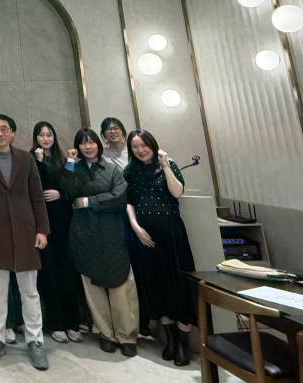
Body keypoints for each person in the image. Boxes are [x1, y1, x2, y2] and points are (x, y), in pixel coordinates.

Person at [0, 114, 50, 369]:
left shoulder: (26, 158)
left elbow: (37, 196)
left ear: (12, 132)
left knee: (30, 291)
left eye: (5, 129)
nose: (0, 133)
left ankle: (35, 341)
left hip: (26, 232)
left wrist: (42, 230)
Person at [61, 128, 139, 356]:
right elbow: (68, 191)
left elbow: (120, 196)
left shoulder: (112, 169)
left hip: (112, 232)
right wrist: (69, 163)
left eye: (91, 142)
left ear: (98, 144)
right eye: (83, 143)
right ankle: (105, 333)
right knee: (92, 286)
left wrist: (88, 202)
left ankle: (126, 334)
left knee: (121, 284)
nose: (88, 146)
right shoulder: (75, 169)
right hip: (84, 234)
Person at [125, 130, 195, 366]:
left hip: (171, 233)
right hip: (146, 236)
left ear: (152, 145)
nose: (140, 150)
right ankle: (170, 338)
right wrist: (135, 226)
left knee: (179, 284)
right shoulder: (130, 171)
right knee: (156, 284)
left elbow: (178, 192)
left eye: (144, 145)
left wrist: (165, 165)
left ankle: (183, 341)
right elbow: (129, 201)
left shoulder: (169, 164)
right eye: (135, 146)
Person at [29, 122, 83, 344]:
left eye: (49, 134)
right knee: (49, 274)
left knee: (68, 273)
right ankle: (56, 323)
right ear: (35, 137)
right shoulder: (31, 159)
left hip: (64, 222)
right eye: (41, 135)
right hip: (43, 223)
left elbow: (72, 187)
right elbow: (35, 188)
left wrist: (61, 193)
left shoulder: (64, 160)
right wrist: (39, 163)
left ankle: (72, 322)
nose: (45, 139)